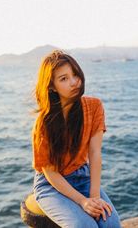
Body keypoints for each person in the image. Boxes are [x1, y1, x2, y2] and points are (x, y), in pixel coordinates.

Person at [31, 50, 121, 228]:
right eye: (63, 79)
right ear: (51, 86)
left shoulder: (94, 106)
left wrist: (94, 197)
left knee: (110, 224)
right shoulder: (44, 123)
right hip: (51, 185)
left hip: (82, 176)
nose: (74, 82)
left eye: (75, 74)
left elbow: (95, 153)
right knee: (85, 226)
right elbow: (49, 172)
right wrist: (82, 201)